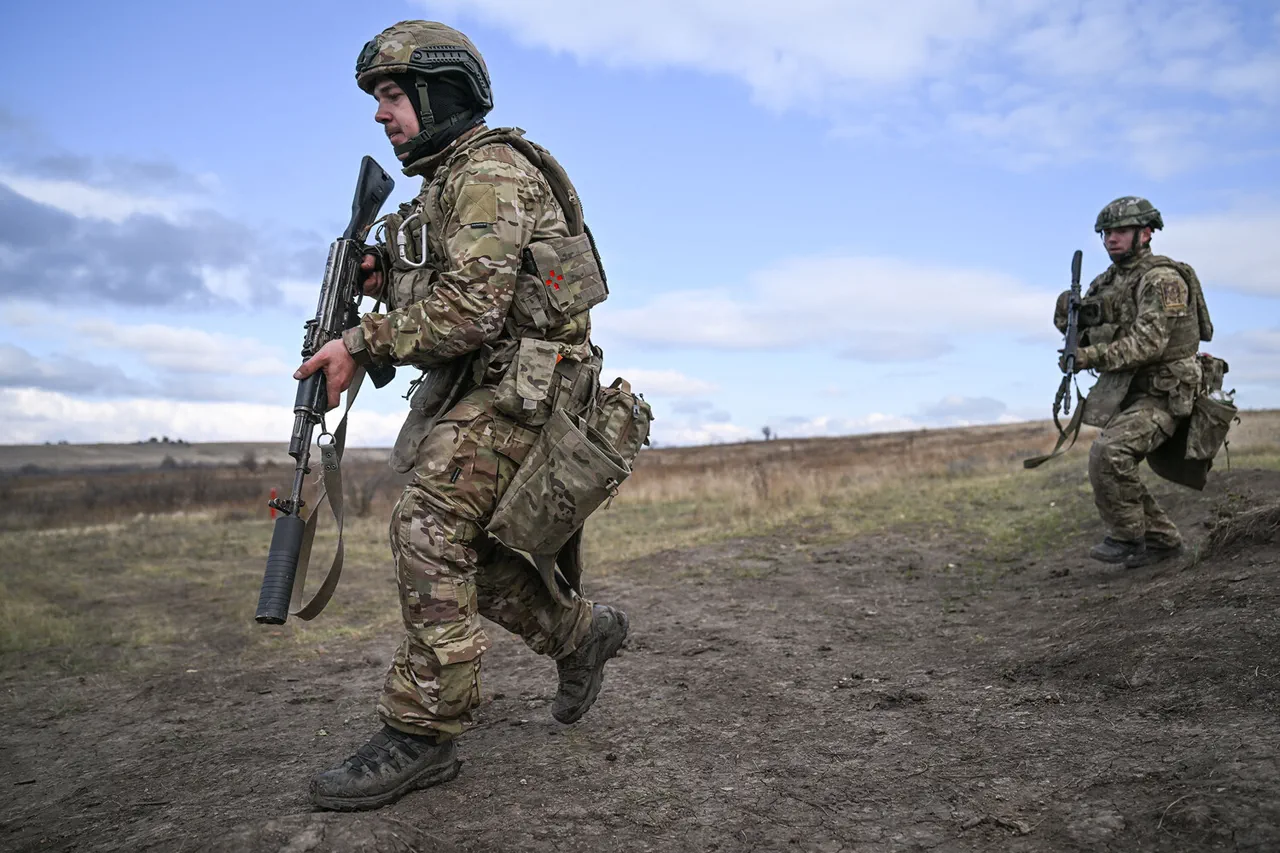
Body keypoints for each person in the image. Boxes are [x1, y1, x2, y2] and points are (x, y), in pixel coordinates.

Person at [293, 20, 629, 811]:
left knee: (428, 524)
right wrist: (382, 277)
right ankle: (580, 634)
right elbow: (452, 286)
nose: (381, 113)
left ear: (440, 93)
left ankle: (423, 731)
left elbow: (471, 312)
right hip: (497, 386)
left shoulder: (489, 173)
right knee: (462, 547)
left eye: (392, 94)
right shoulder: (446, 184)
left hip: (531, 391)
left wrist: (361, 343)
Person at [1055, 197, 1214, 570]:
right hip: (1127, 389)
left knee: (1110, 453)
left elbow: (1148, 344)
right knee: (1111, 462)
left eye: (1121, 231)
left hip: (1164, 392)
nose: (1111, 239)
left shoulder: (1163, 279)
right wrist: (1068, 316)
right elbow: (1087, 329)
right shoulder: (1109, 281)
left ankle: (1128, 538)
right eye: (1106, 233)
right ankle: (1162, 542)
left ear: (1146, 233)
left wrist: (1091, 356)